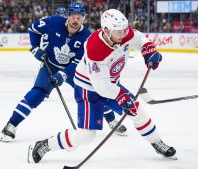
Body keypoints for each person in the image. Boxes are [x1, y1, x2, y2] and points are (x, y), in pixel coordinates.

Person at [28, 9, 176, 163]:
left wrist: (148, 51)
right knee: (86, 136)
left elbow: (139, 39)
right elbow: (101, 86)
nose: (124, 34)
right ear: (106, 30)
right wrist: (121, 96)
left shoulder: (123, 32)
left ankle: (157, 142)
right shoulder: (95, 48)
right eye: (119, 31)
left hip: (111, 85)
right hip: (88, 90)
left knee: (137, 111)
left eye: (125, 29)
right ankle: (45, 144)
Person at [0, 3, 127, 143]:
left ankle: (112, 121)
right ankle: (11, 125)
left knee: (94, 94)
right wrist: (35, 48)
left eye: (79, 17)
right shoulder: (53, 22)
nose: (75, 20)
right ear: (68, 16)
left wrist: (63, 75)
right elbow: (33, 29)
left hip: (74, 71)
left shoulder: (87, 37)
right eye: (73, 16)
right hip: (50, 65)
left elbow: (79, 63)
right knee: (37, 93)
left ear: (83, 18)